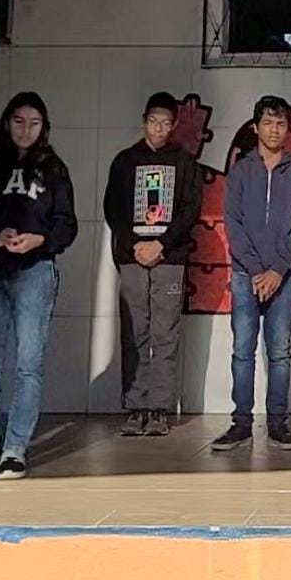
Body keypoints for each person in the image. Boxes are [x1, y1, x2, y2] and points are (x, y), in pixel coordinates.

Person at [0, 92, 78, 480]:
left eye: (34, 123)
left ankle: (14, 448)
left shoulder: (53, 170)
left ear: (44, 128)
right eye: (19, 121)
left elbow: (67, 224)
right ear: (7, 123)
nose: (26, 130)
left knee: (29, 365)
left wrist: (39, 239)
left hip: (35, 271)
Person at [213, 95, 291, 452]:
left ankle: (278, 424)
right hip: (246, 275)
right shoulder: (241, 171)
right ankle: (241, 424)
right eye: (268, 123)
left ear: (289, 129)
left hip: (283, 277)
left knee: (280, 353)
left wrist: (277, 269)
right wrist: (257, 270)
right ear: (256, 127)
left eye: (281, 123)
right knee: (243, 351)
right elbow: (233, 223)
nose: (274, 130)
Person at [103, 92, 203, 437]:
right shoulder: (125, 161)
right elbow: (113, 209)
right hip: (131, 258)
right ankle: (135, 407)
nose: (158, 129)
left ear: (174, 125)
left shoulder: (185, 162)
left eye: (165, 123)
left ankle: (159, 408)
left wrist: (161, 244)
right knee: (134, 332)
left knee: (165, 333)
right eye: (153, 121)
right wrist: (136, 245)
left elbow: (190, 210)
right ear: (144, 120)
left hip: (169, 258)